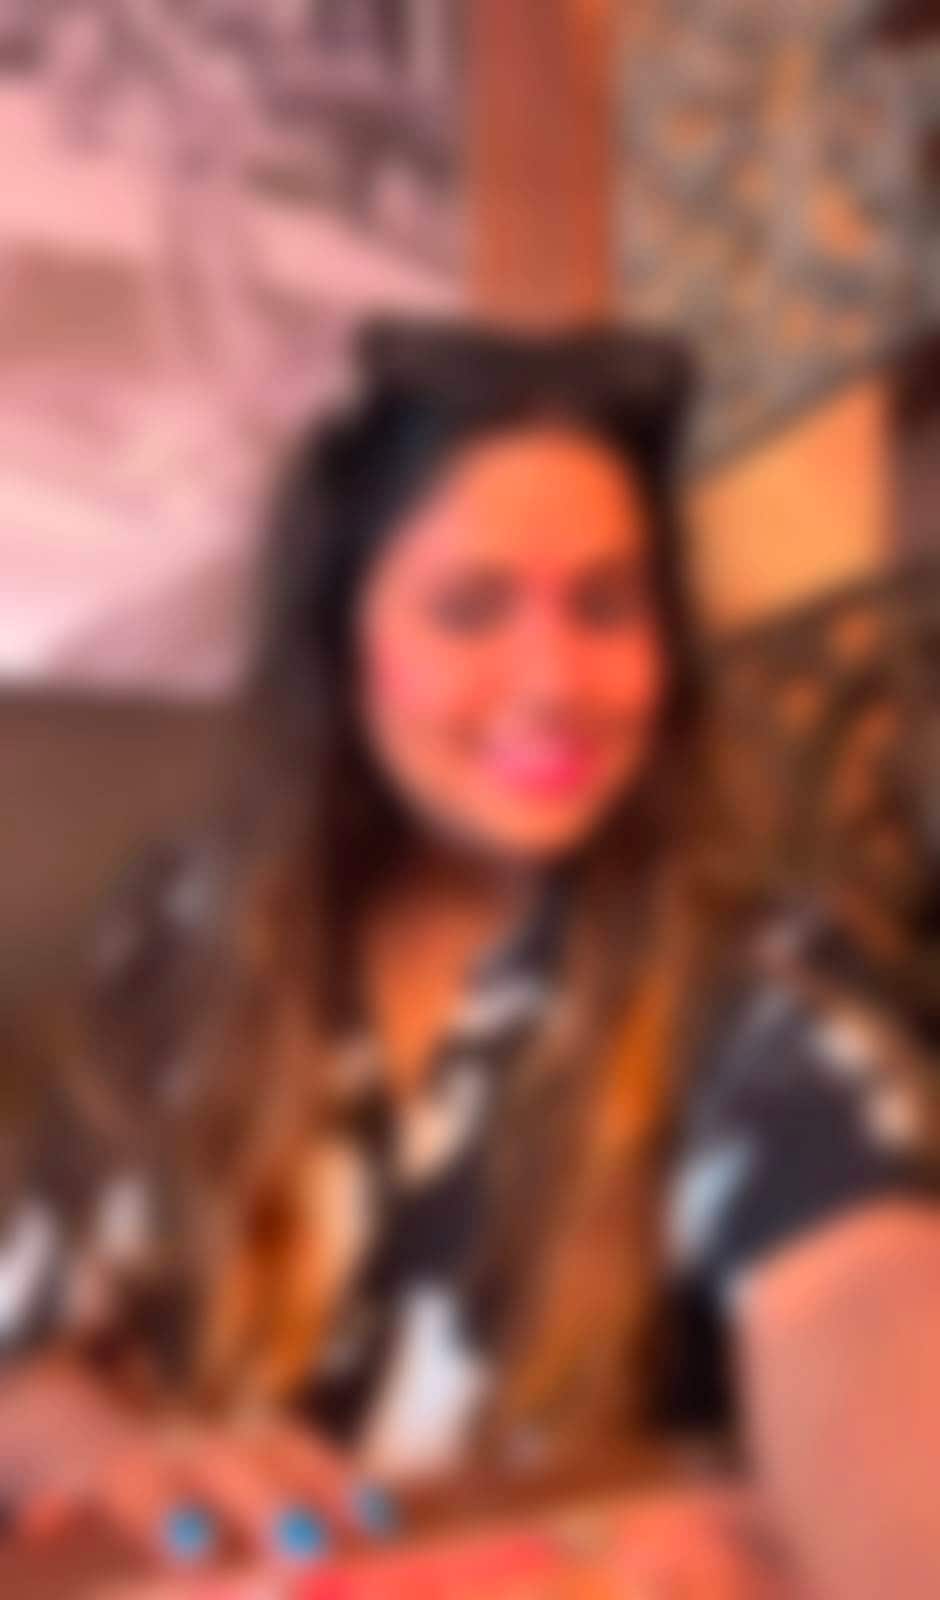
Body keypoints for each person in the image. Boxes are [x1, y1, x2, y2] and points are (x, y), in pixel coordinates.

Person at [0, 321, 937, 1597]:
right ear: (341, 643)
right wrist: (122, 1461)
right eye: (467, 607)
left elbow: (861, 1290)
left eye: (605, 605)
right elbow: (34, 1359)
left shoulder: (761, 985)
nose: (551, 681)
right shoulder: (186, 927)